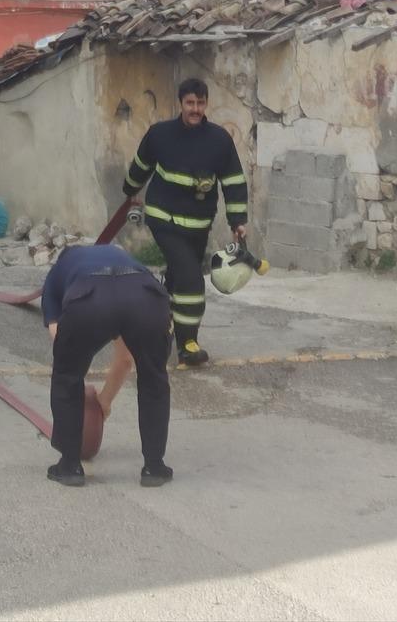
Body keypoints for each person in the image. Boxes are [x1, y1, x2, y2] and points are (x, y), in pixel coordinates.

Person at [121, 78, 248, 367]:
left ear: (206, 105)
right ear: (181, 103)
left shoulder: (219, 140)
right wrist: (130, 191)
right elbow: (141, 166)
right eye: (190, 103)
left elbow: (233, 182)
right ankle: (188, 345)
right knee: (191, 278)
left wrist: (238, 220)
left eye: (200, 103)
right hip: (164, 219)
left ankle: (159, 319)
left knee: (180, 277)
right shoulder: (160, 135)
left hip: (198, 225)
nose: (195, 109)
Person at [42, 244, 174, 488]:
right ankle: (154, 467)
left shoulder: (58, 272)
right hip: (145, 295)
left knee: (66, 375)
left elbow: (60, 342)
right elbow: (126, 358)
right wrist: (104, 401)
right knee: (154, 376)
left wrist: (86, 401)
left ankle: (69, 466)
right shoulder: (127, 259)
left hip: (89, 298)